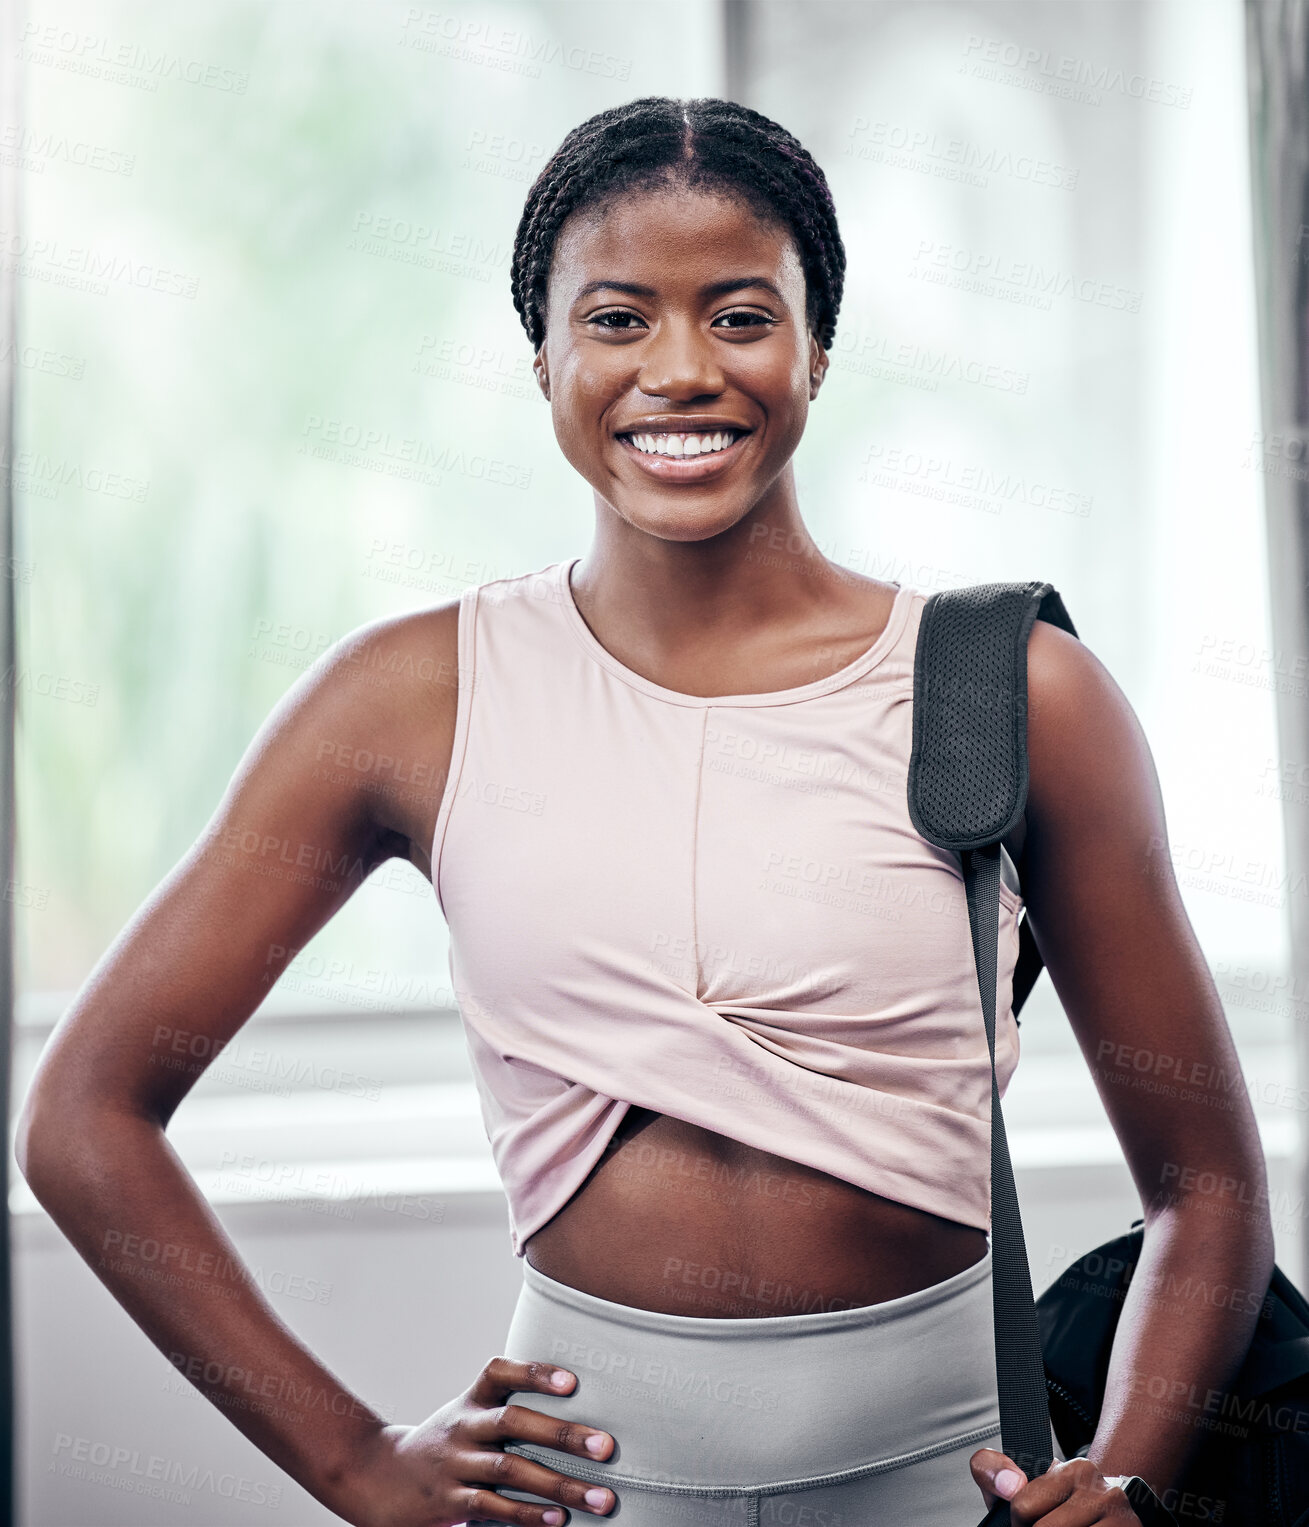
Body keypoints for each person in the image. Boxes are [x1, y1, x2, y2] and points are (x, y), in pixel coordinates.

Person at [17, 95, 1272, 1527]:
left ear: (816, 350)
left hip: (944, 1487)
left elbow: (1206, 1190)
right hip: (583, 1497)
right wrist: (352, 1460)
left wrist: (1122, 1477)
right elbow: (85, 1115)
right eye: (615, 320)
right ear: (539, 357)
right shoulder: (407, 700)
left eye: (740, 317)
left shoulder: (1020, 694)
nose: (678, 371)